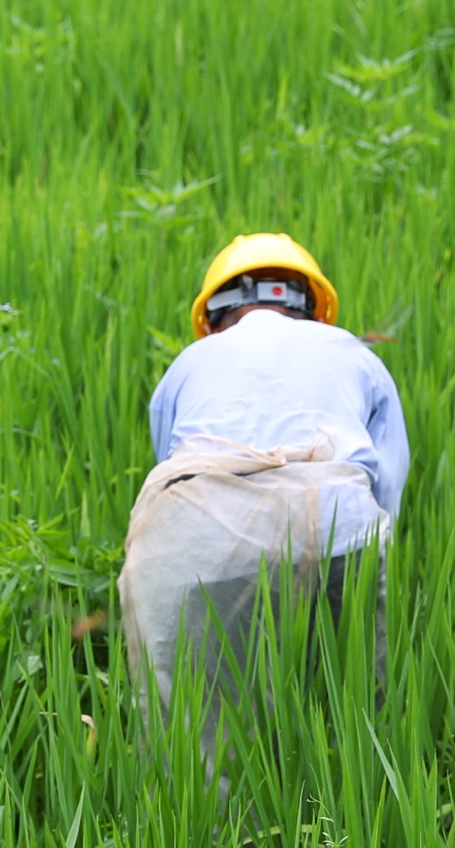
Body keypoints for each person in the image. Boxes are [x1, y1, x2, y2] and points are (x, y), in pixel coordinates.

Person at [117, 233, 409, 776]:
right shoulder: (352, 351)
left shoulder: (190, 360)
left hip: (202, 534)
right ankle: (350, 830)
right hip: (339, 520)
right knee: (350, 718)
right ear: (310, 307)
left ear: (216, 314)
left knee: (202, 742)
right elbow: (387, 487)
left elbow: (176, 469)